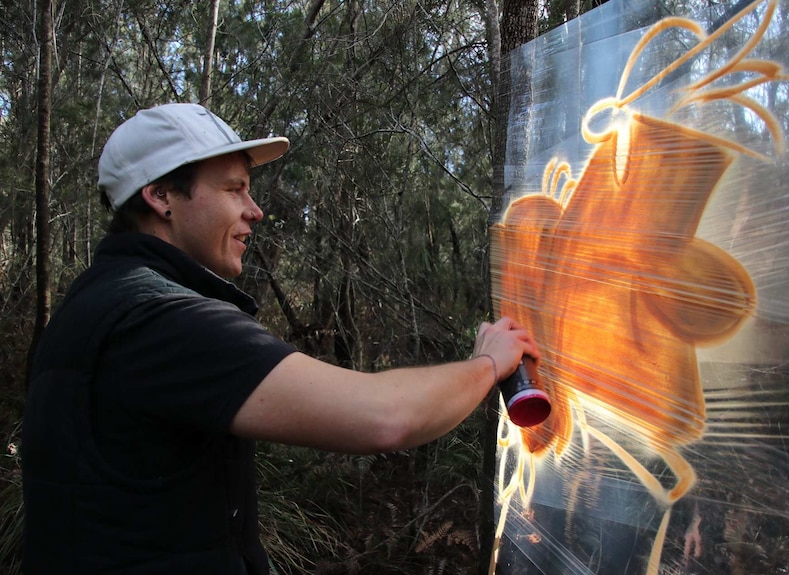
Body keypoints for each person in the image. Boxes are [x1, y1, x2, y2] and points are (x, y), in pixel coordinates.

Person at [22, 103, 539, 574]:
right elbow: (384, 416)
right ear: (159, 196)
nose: (255, 209)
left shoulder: (94, 302)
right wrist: (489, 364)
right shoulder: (158, 320)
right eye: (232, 189)